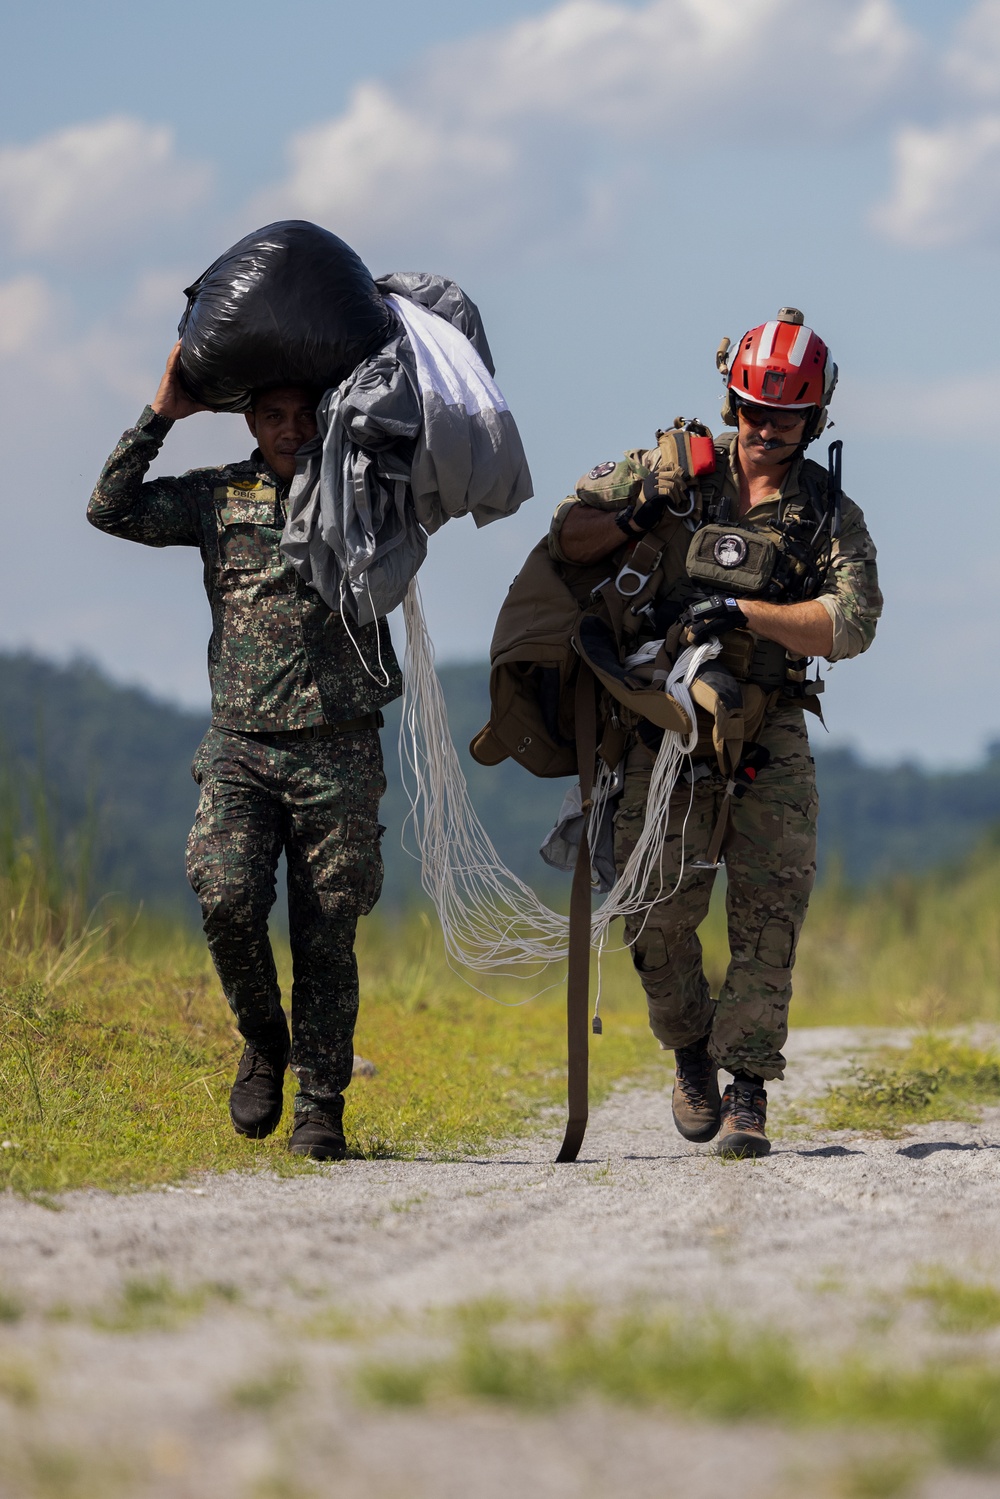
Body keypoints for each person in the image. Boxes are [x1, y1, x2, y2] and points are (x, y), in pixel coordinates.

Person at [550, 309, 882, 1157]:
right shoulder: (672, 470)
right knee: (654, 919)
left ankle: (747, 1091)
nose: (765, 431)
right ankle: (691, 1050)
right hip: (664, 730)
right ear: (730, 401)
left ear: (816, 420)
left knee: (770, 914)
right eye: (751, 411)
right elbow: (568, 534)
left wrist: (743, 611)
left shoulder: (828, 516)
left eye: (786, 418)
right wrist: (641, 513)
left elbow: (851, 623)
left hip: (768, 730)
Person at [87, 344, 401, 1160]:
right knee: (225, 894)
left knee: (329, 930)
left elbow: (443, 471)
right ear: (250, 420)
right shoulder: (218, 497)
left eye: (304, 415)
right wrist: (162, 413)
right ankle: (265, 1035)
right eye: (274, 417)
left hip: (339, 746)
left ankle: (321, 1103)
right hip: (242, 745)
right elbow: (109, 509)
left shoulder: (366, 488)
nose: (291, 430)